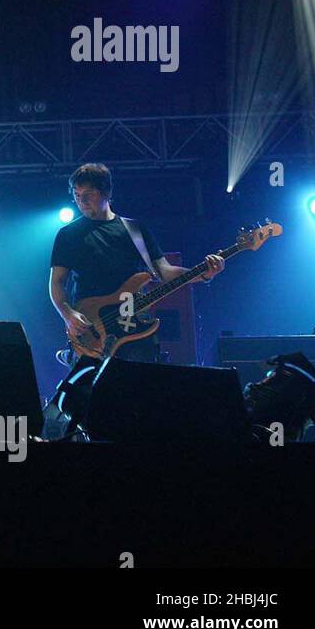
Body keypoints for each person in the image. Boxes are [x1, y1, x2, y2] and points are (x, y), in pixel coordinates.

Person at [45, 163, 224, 430]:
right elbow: (56, 283)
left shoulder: (135, 230)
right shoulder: (69, 234)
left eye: (88, 194)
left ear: (106, 192)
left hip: (136, 329)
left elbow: (164, 272)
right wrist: (68, 314)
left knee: (136, 405)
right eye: (76, 194)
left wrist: (204, 273)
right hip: (93, 330)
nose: (81, 201)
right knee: (89, 408)